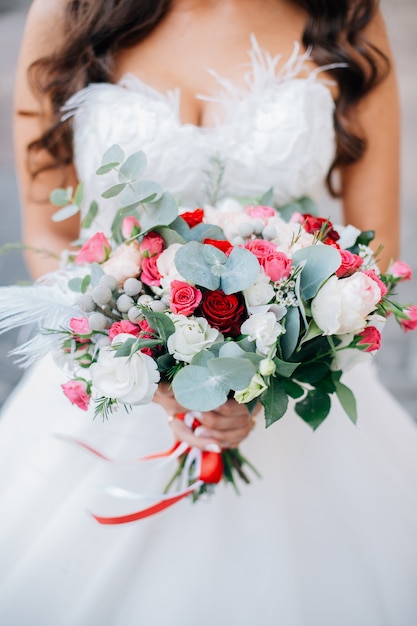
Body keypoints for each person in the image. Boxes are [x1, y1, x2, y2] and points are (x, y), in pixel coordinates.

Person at [0, 0, 416, 624]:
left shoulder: (345, 11)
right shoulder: (66, 13)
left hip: (296, 381)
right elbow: (47, 228)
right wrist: (151, 364)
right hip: (120, 377)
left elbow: (375, 239)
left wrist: (265, 372)